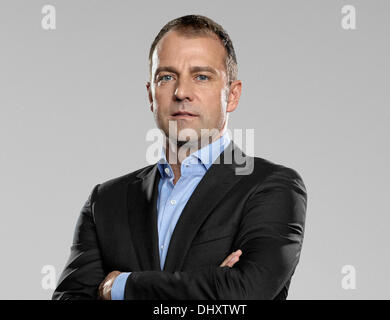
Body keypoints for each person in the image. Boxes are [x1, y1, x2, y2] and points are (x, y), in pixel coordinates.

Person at [52, 14, 307, 300]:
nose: (182, 92)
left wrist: (121, 286)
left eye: (201, 77)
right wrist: (209, 287)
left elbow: (244, 294)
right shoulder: (106, 201)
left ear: (232, 95)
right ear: (151, 95)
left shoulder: (271, 186)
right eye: (167, 77)